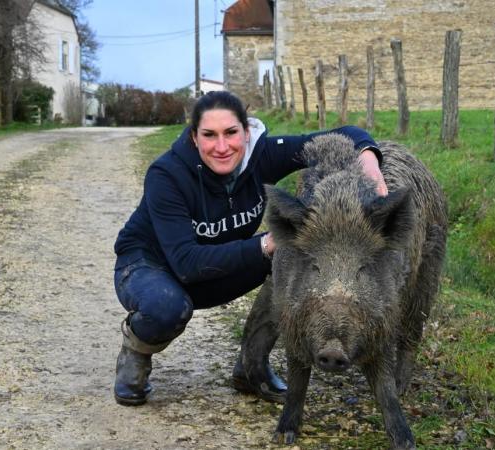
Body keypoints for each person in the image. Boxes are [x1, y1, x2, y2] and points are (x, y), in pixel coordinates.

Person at [112, 91, 387, 406]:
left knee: (291, 255)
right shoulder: (167, 174)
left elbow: (343, 137)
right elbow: (186, 263)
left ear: (246, 131)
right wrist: (267, 243)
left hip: (214, 266)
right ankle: (136, 350)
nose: (222, 146)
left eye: (231, 133)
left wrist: (369, 163)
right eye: (209, 135)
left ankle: (252, 366)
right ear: (194, 137)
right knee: (166, 306)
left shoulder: (262, 156)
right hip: (151, 266)